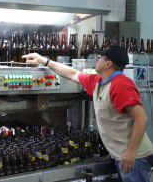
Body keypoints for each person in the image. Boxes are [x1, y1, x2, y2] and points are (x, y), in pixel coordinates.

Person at [22, 45, 153, 182]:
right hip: (120, 155)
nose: (97, 60)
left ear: (108, 64)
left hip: (134, 158)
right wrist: (44, 61)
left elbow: (141, 118)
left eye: (99, 58)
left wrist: (131, 151)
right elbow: (72, 74)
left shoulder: (121, 85)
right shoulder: (98, 81)